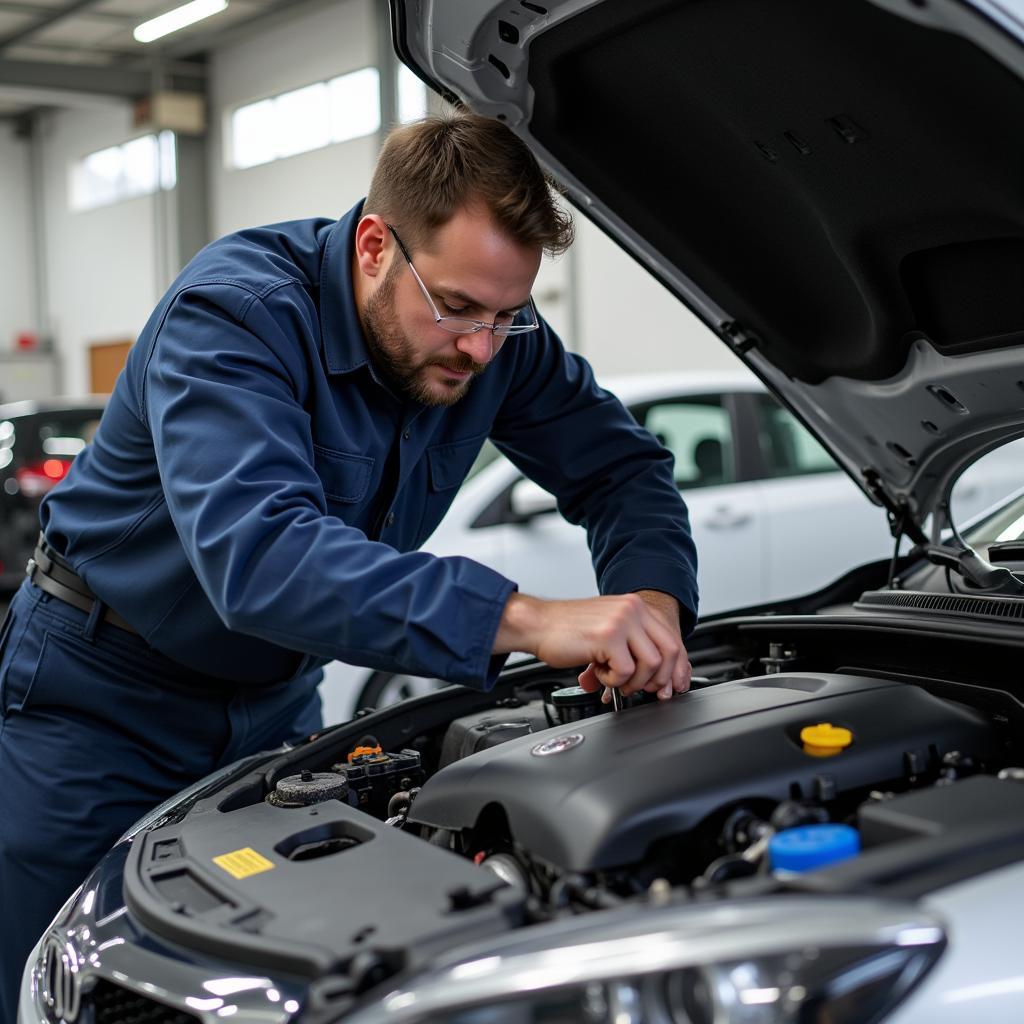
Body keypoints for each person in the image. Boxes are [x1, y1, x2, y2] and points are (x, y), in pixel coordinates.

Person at [0, 110, 697, 1017]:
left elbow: (623, 470)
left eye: (508, 315)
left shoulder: (496, 340)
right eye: (456, 309)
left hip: (277, 703)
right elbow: (262, 555)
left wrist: (653, 602)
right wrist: (527, 618)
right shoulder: (238, 315)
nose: (481, 348)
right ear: (374, 245)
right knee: (51, 985)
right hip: (96, 702)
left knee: (275, 982)